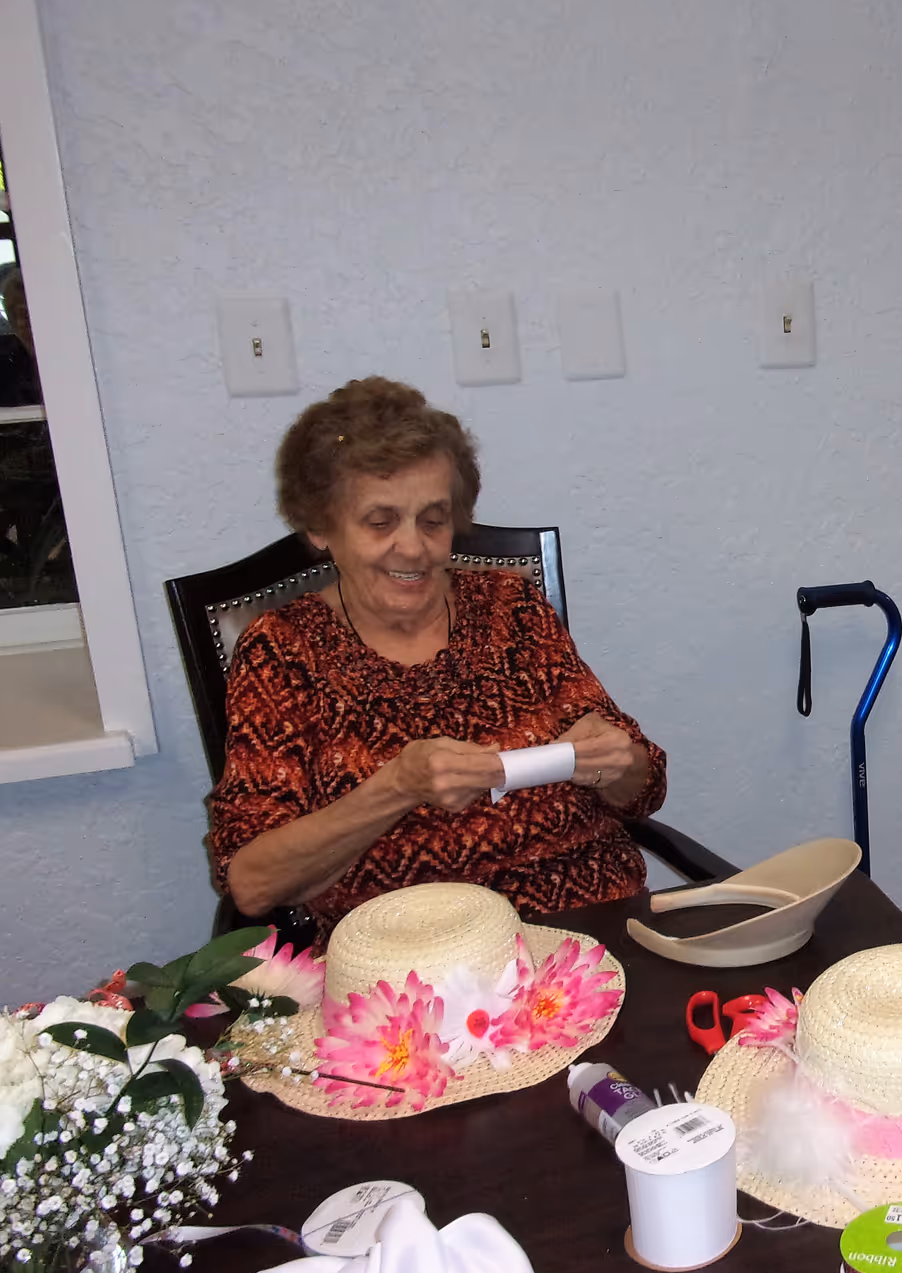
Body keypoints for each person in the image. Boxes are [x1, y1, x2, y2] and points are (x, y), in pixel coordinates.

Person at [207, 376, 667, 932]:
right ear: (321, 526)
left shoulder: (511, 608)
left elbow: (645, 788)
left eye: (434, 519)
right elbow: (253, 884)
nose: (414, 547)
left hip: (593, 926)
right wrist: (397, 787)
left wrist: (612, 766)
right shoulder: (284, 652)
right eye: (380, 522)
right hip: (415, 968)